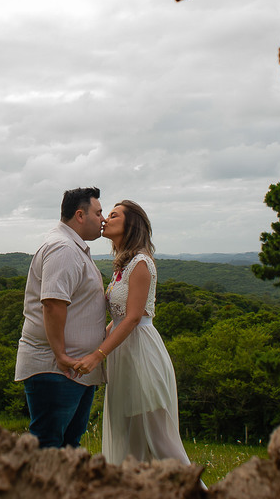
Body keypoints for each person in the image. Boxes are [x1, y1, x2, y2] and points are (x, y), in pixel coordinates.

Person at [73, 200, 200, 479]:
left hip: (141, 354)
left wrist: (98, 355)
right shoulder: (124, 265)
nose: (105, 219)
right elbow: (117, 319)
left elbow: (132, 318)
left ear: (131, 224)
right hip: (124, 355)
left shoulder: (141, 263)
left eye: (114, 215)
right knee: (129, 439)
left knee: (161, 440)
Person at [14, 187, 107, 448]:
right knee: (49, 446)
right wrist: (61, 355)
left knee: (67, 447)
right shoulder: (63, 248)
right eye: (98, 213)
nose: (103, 219)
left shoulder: (73, 247)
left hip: (73, 370)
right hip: (56, 369)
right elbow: (53, 303)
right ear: (80, 215)